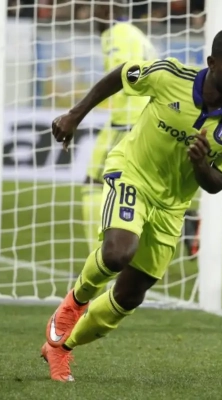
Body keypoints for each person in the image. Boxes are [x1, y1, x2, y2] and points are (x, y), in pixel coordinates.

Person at [40, 28, 222, 382]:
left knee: (129, 296)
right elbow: (121, 74)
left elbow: (217, 184)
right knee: (117, 253)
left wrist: (201, 165)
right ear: (212, 62)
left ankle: (61, 348)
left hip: (172, 207)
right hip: (133, 175)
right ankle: (74, 303)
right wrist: (74, 115)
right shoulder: (170, 76)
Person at [81, 1, 158, 254]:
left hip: (127, 121)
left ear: (107, 11)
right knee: (138, 189)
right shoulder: (136, 33)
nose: (93, 19)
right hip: (145, 117)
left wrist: (80, 110)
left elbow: (120, 76)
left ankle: (97, 260)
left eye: (96, 12)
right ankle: (187, 219)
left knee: (94, 184)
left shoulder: (114, 34)